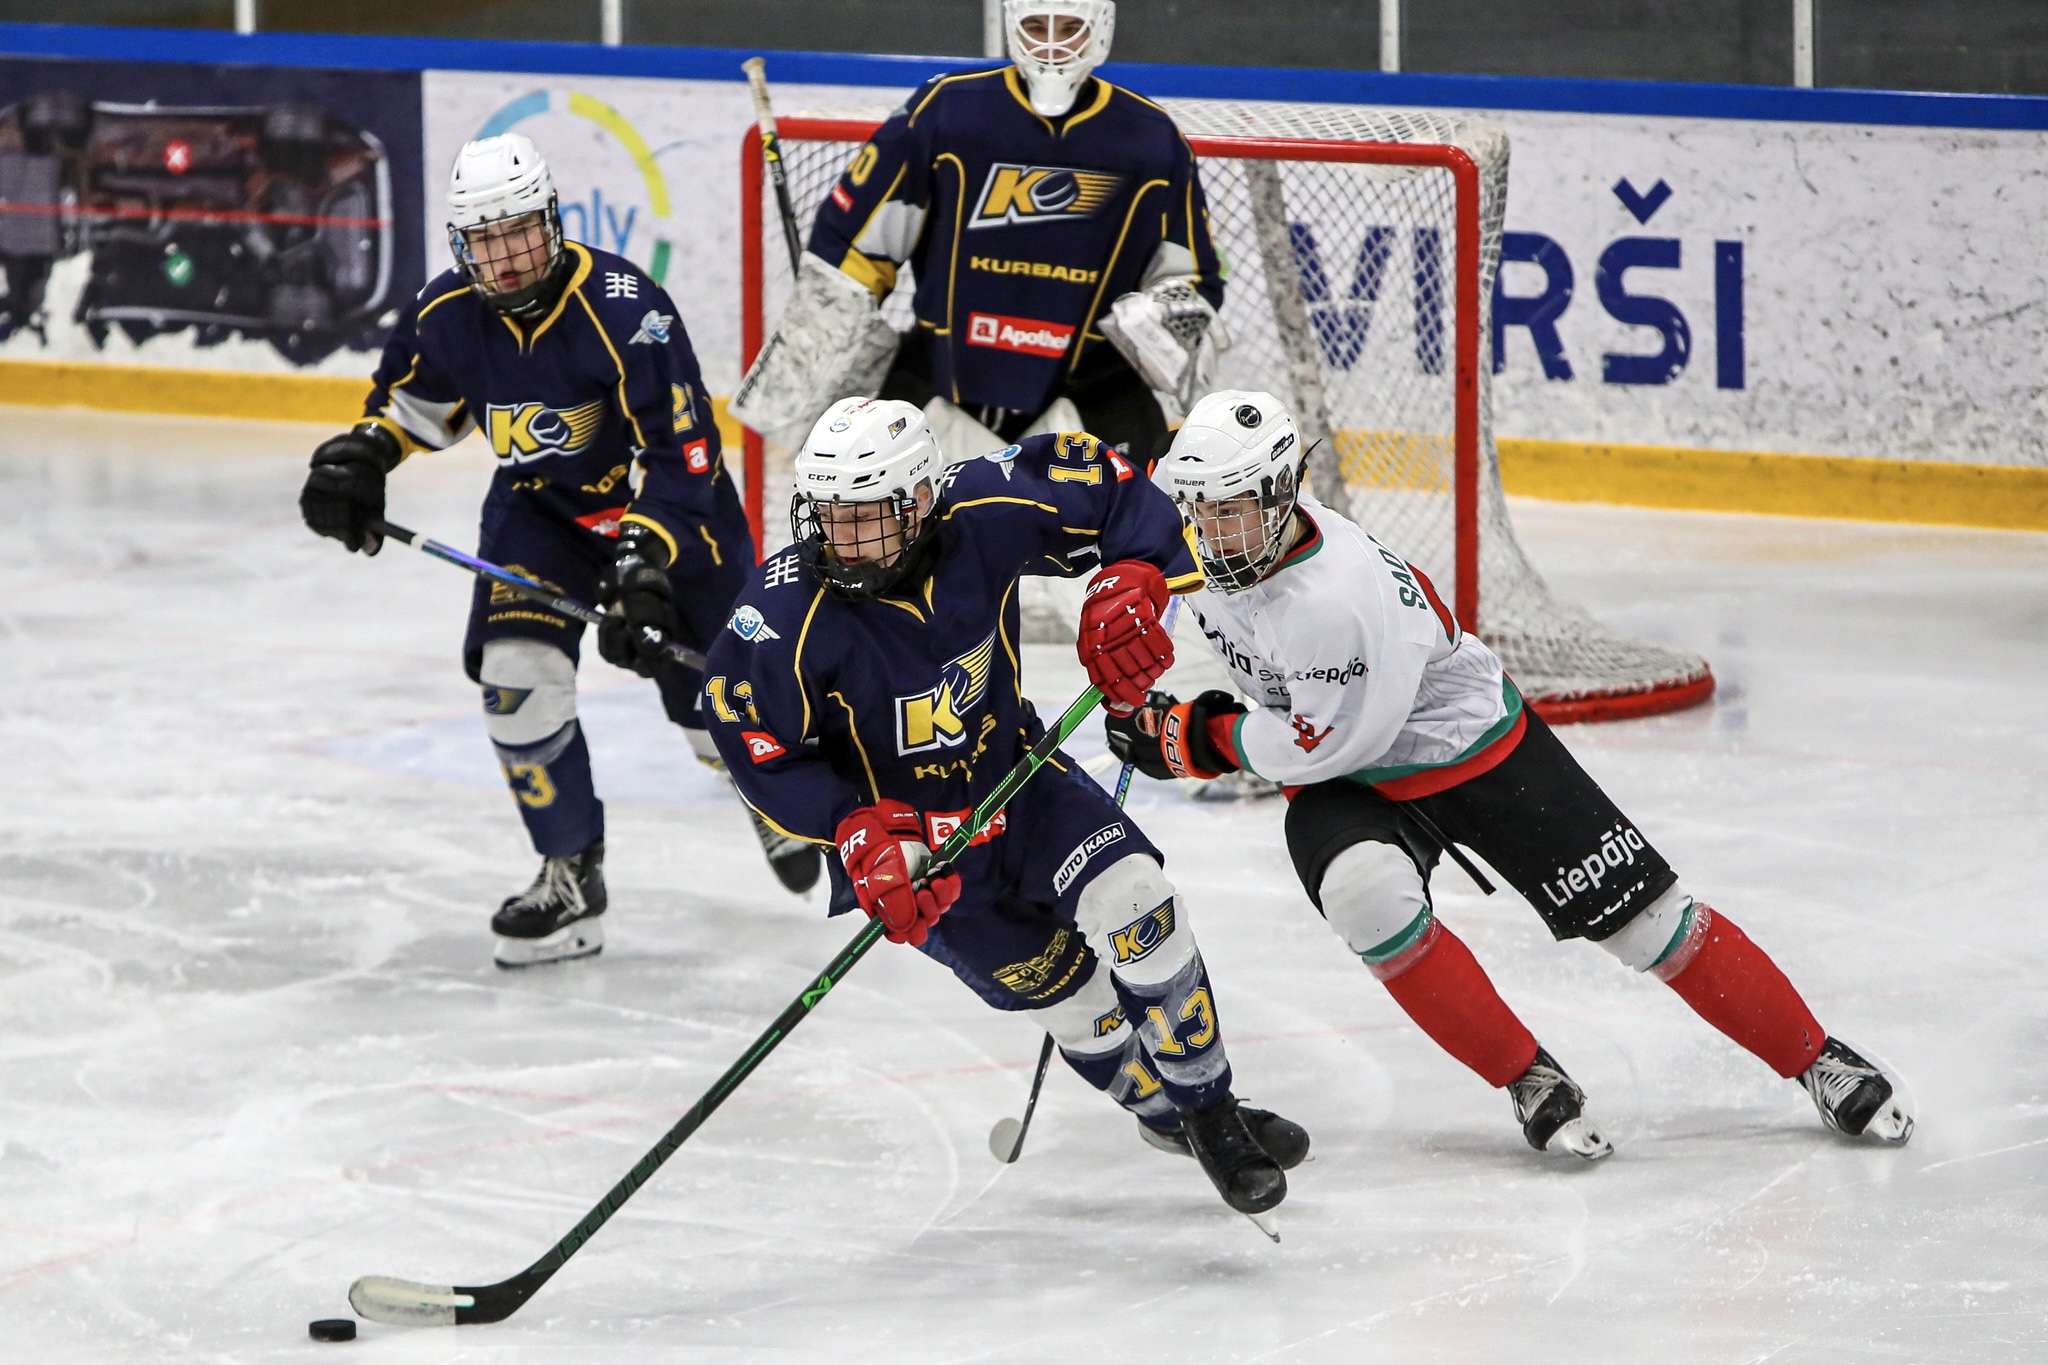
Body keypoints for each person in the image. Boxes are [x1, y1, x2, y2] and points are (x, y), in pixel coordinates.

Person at [1107, 389, 1915, 1156]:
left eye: (1233, 509)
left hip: (1466, 747)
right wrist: (1120, 597)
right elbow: (1112, 521)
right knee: (1366, 896)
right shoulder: (1205, 533)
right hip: (1350, 770)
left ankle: (1818, 1057)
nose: (1212, 534)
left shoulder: (1336, 596)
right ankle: (1527, 1075)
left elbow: (1328, 745)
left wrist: (1196, 737)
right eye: (1199, 511)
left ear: (1282, 493)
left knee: (1650, 924)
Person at [699, 395, 1306, 1225]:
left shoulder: (984, 505)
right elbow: (751, 739)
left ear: (920, 500)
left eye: (867, 518)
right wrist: (852, 827)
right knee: (1077, 1001)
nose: (843, 539)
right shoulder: (779, 616)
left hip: (1018, 787)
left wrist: (1133, 580)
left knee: (1137, 901)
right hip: (922, 861)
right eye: (830, 516)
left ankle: (1211, 1111)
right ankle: (1166, 1118)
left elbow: (1127, 492)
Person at [299, 133, 818, 968]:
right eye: (486, 240)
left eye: (520, 232)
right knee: (517, 682)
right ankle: (570, 875)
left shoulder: (627, 309)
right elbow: (410, 410)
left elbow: (681, 456)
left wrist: (643, 566)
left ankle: (770, 792)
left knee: (717, 722)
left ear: (552, 220)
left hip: (673, 521)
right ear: (463, 245)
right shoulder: (445, 316)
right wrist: (362, 458)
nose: (506, 258)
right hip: (542, 515)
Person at [731, 0, 1225, 467]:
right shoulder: (947, 112)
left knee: (1129, 543)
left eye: (1069, 28)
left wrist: (1165, 317)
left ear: (1101, 28)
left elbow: (1192, 278)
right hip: (941, 393)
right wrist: (824, 335)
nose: (1052, 45)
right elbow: (856, 244)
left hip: (1086, 400)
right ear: (1013, 24)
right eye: (1036, 26)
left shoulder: (1153, 141)